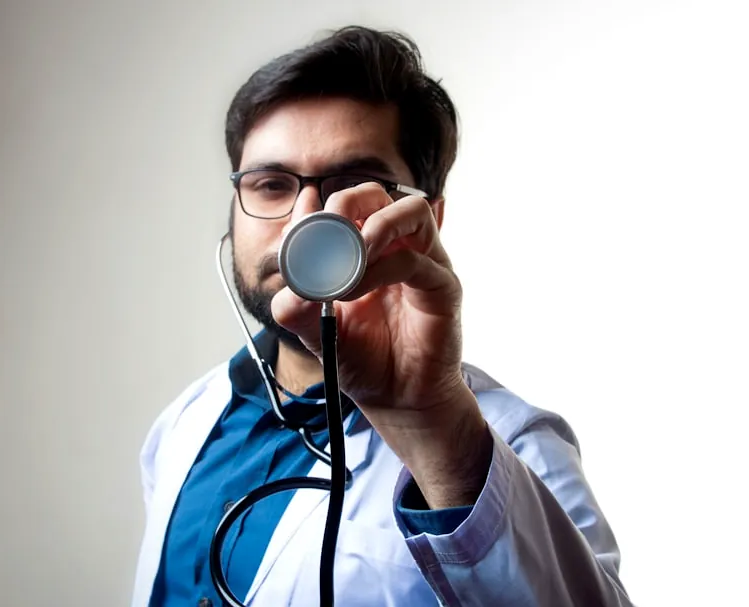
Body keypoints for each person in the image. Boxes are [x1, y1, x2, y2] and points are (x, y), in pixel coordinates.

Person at [131, 25, 633, 607]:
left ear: (424, 219)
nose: (303, 221)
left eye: (349, 185)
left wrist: (432, 428)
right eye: (270, 184)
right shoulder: (186, 423)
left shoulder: (511, 448)